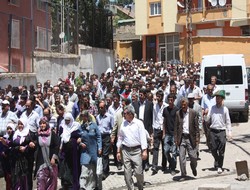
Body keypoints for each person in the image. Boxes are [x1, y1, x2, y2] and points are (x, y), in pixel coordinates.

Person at [117, 105, 148, 190]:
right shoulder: (123, 124)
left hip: (137, 151)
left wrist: (144, 151)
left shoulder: (139, 123)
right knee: (127, 174)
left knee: (138, 173)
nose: (123, 115)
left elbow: (143, 137)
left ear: (130, 114)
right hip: (126, 151)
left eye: (125, 113)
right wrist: (118, 151)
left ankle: (140, 187)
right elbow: (120, 137)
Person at [204, 90, 232, 174]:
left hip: (222, 131)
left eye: (219, 98)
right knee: (213, 149)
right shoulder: (212, 108)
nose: (217, 100)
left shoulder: (225, 109)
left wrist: (229, 132)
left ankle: (219, 166)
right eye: (216, 98)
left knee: (221, 150)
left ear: (222, 99)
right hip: (213, 131)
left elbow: (228, 121)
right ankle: (216, 159)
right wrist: (205, 115)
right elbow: (208, 119)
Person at [174, 98, 200, 180]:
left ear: (187, 104)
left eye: (184, 105)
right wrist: (176, 138)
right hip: (182, 138)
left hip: (190, 138)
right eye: (182, 105)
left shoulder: (193, 113)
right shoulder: (178, 113)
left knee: (193, 157)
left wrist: (197, 138)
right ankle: (183, 174)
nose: (183, 106)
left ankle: (193, 167)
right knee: (181, 158)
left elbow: (196, 127)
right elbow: (176, 127)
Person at [78, 111, 102, 190]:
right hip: (85, 152)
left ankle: (91, 187)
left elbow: (99, 137)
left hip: (93, 151)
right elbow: (77, 138)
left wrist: (100, 148)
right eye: (82, 116)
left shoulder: (94, 126)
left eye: (85, 116)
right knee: (84, 170)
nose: (84, 118)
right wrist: (80, 143)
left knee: (92, 172)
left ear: (88, 116)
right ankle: (82, 187)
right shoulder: (80, 127)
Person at [34, 117, 60, 190]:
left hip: (51, 161)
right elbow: (36, 145)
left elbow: (57, 145)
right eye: (41, 123)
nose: (42, 125)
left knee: (52, 181)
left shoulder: (52, 133)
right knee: (41, 179)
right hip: (41, 161)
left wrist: (54, 157)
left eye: (44, 123)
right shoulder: (38, 134)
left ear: (47, 124)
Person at [10, 118, 35, 190]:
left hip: (26, 161)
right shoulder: (15, 134)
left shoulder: (29, 134)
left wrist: (26, 148)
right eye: (19, 124)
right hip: (17, 161)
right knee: (17, 180)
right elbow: (11, 147)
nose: (20, 126)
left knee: (26, 180)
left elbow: (33, 147)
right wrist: (18, 148)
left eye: (21, 124)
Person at [132, 88, 153, 171]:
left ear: (145, 95)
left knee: (145, 145)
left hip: (146, 127)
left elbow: (151, 117)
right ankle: (138, 163)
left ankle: (146, 162)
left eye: (141, 94)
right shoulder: (135, 104)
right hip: (137, 127)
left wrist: (151, 129)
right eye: (139, 94)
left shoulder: (149, 104)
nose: (140, 96)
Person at [59, 113, 81, 190]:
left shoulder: (76, 126)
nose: (67, 122)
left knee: (73, 166)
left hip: (73, 151)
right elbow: (60, 137)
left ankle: (73, 185)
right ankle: (65, 184)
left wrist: (79, 139)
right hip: (64, 150)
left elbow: (80, 135)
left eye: (68, 120)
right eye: (66, 120)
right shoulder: (62, 127)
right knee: (64, 166)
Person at [96, 101, 114, 180]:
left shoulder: (110, 117)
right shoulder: (97, 117)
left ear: (105, 108)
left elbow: (113, 128)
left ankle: (104, 172)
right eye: (99, 107)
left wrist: (112, 137)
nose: (100, 109)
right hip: (99, 137)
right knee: (101, 153)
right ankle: (105, 168)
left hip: (107, 136)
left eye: (102, 107)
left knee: (105, 154)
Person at [151, 90, 167, 174]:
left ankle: (164, 165)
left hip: (164, 129)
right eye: (156, 96)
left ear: (162, 97)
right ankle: (154, 166)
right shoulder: (154, 106)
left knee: (164, 148)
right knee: (155, 148)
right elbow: (154, 117)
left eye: (159, 96)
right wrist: (153, 130)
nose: (157, 98)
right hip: (157, 128)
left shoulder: (166, 106)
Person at [162, 93, 179, 175]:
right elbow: (164, 122)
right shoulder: (165, 110)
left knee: (174, 152)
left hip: (174, 134)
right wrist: (164, 133)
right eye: (169, 100)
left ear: (174, 100)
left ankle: (173, 168)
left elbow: (179, 123)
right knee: (165, 151)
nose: (170, 101)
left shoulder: (177, 110)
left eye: (171, 100)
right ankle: (171, 162)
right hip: (167, 134)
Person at [0, 122, 16, 190]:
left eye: (10, 129)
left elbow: (13, 147)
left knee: (12, 178)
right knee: (7, 178)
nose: (9, 130)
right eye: (8, 129)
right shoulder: (4, 138)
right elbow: (1, 148)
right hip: (5, 161)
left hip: (12, 160)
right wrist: (2, 152)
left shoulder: (15, 137)